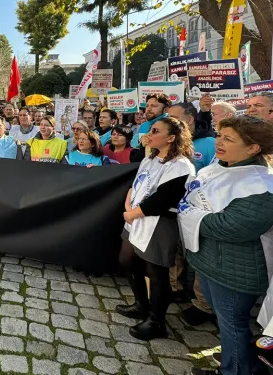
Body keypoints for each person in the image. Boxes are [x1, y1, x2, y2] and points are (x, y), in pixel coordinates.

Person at [178, 116, 273, 375]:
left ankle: (235, 370)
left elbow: (233, 226)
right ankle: (240, 362)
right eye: (220, 135)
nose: (218, 142)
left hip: (235, 270)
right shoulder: (221, 167)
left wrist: (189, 213)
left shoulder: (261, 185)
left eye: (229, 139)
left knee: (233, 323)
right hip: (211, 261)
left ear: (253, 148)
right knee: (226, 320)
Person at [116, 116, 195, 341]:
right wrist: (128, 204)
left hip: (157, 223)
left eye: (156, 131)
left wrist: (132, 213)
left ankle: (156, 321)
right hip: (135, 217)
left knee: (157, 274)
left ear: (171, 138)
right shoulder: (150, 158)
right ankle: (141, 303)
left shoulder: (180, 166)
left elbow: (162, 199)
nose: (150, 134)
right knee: (127, 261)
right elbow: (137, 184)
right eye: (151, 130)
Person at [168, 100, 216, 172]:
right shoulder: (165, 141)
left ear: (190, 120)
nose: (168, 122)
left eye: (174, 118)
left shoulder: (211, 144)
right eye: (167, 118)